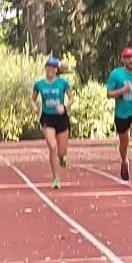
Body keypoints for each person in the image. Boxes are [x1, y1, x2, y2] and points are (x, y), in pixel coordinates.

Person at [106, 46, 132, 181]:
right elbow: (109, 94)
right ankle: (124, 162)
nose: (130, 60)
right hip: (121, 114)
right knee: (124, 143)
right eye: (127, 58)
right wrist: (123, 90)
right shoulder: (116, 74)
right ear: (123, 60)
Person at [33, 57, 73, 190]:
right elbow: (32, 99)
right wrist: (34, 106)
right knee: (52, 147)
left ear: (57, 70)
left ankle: (63, 157)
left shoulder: (63, 83)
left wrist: (65, 106)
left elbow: (72, 98)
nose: (50, 69)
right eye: (48, 66)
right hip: (47, 118)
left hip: (61, 118)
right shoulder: (39, 84)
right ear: (45, 68)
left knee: (61, 152)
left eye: (53, 67)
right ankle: (56, 178)